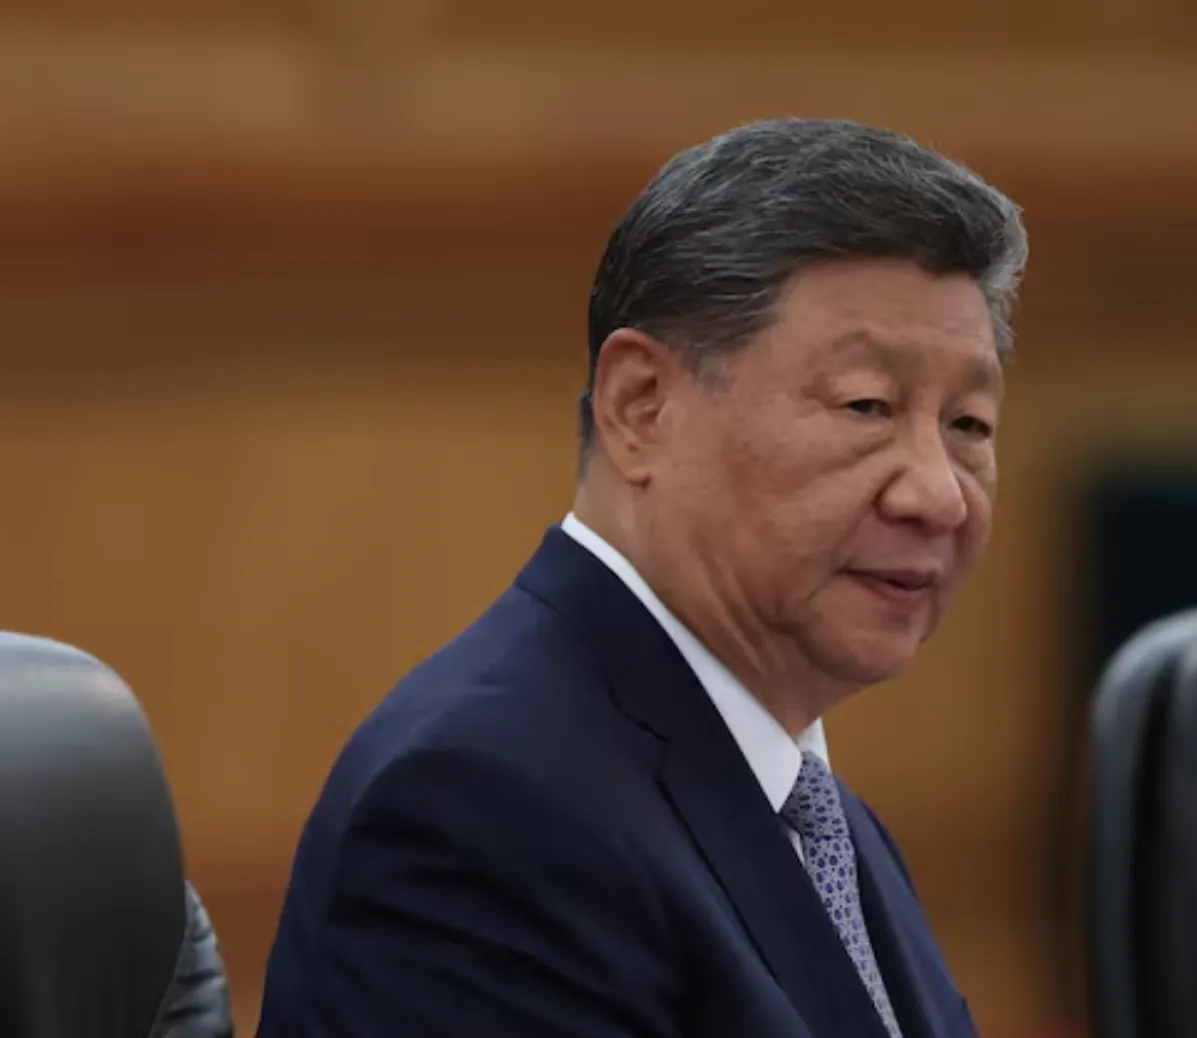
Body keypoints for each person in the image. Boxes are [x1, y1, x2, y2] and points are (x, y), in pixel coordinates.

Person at [256, 116, 1027, 1038]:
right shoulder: (487, 808)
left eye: (969, 426)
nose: (938, 495)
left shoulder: (815, 814)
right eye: (868, 405)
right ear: (640, 407)